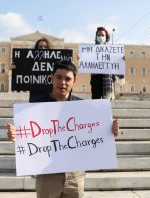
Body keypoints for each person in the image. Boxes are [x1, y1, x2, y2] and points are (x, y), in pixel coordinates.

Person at [7, 60, 120, 198]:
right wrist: (14, 135)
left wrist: (111, 130)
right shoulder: (36, 105)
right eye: (59, 77)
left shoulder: (84, 107)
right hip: (47, 175)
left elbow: (96, 135)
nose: (63, 83)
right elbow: (26, 136)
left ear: (74, 81)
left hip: (75, 176)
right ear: (52, 78)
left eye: (68, 79)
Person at [90, 27, 123, 100]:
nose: (100, 37)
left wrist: (121, 60)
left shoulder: (111, 50)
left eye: (102, 35)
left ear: (106, 37)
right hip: (95, 78)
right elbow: (86, 62)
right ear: (96, 37)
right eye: (99, 35)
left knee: (107, 103)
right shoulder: (90, 50)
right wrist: (81, 58)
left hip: (107, 79)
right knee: (96, 102)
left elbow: (116, 66)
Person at [29, 37, 53, 102]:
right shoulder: (31, 62)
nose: (43, 48)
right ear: (36, 48)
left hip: (50, 95)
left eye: (45, 47)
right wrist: (16, 68)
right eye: (40, 46)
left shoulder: (54, 62)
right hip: (35, 96)